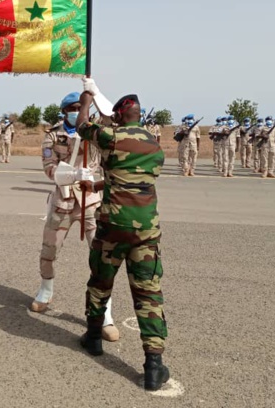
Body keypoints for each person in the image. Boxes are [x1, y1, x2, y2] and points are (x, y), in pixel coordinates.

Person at [76, 79, 170, 391]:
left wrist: (87, 100)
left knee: (101, 282)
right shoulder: (156, 147)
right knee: (148, 294)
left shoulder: (111, 135)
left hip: (112, 228)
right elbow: (134, 180)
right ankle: (153, 365)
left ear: (118, 115)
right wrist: (100, 185)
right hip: (145, 231)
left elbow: (81, 126)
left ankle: (92, 338)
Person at [30, 91, 119, 341]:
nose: (78, 109)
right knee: (50, 250)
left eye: (82, 106)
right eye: (74, 107)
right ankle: (45, 290)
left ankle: (105, 314)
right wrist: (70, 174)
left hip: (92, 201)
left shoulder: (95, 129)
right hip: (64, 201)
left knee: (101, 256)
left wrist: (95, 95)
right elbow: (49, 168)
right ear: (63, 110)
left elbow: (112, 121)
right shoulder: (52, 135)